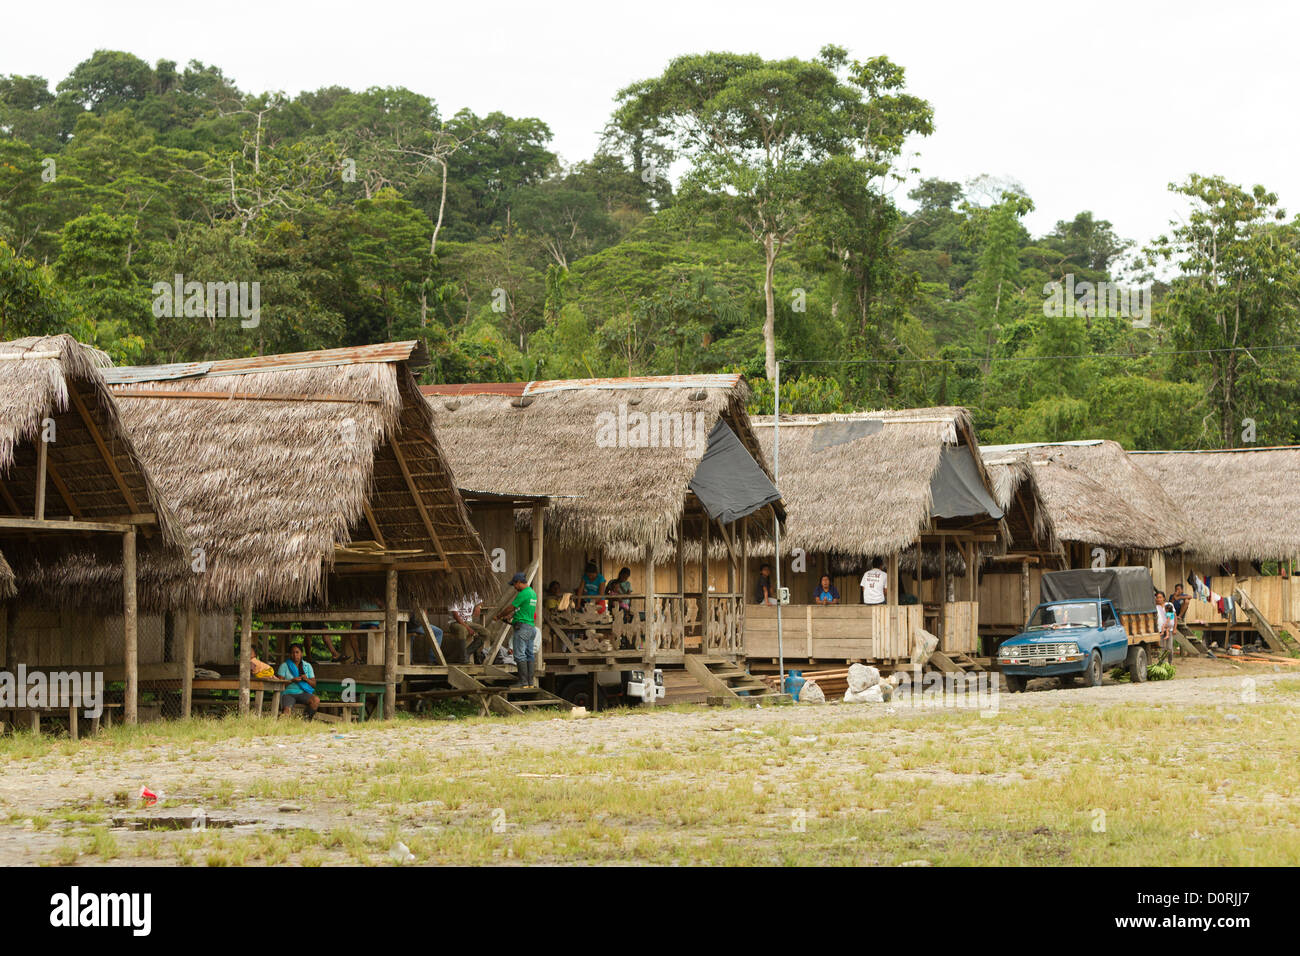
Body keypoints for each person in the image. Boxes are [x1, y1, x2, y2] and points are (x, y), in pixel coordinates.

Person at [496, 572, 538, 687]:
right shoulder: (532, 593)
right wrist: (511, 617)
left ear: (519, 582)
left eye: (514, 584)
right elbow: (522, 609)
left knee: (519, 655)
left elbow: (511, 607)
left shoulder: (523, 593)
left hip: (522, 627)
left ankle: (522, 682)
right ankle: (530, 683)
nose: (514, 587)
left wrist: (499, 615)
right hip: (531, 627)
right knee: (529, 654)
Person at [277, 643, 319, 719]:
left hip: (303, 693)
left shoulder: (307, 666)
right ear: (290, 654)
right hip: (288, 693)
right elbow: (279, 685)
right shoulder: (284, 666)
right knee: (287, 711)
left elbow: (314, 684)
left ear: (301, 654)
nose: (295, 655)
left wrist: (306, 679)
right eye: (292, 653)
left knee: (316, 700)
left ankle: (305, 721)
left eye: (297, 652)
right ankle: (282, 726)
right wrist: (292, 681)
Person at [447, 593, 490, 664]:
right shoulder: (453, 596)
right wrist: (468, 628)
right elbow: (456, 616)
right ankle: (464, 659)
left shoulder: (473, 594)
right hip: (455, 623)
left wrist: (478, 606)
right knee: (463, 630)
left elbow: (481, 601)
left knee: (486, 633)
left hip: (469, 622)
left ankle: (465, 654)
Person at [1155, 590, 1176, 655]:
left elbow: (1175, 617)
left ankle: (1170, 662)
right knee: (1162, 647)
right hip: (1160, 630)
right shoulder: (1155, 607)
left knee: (1169, 648)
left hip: (1169, 629)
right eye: (1157, 597)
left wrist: (1175, 628)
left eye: (1160, 597)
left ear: (1164, 598)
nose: (1159, 599)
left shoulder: (1169, 605)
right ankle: (1162, 663)